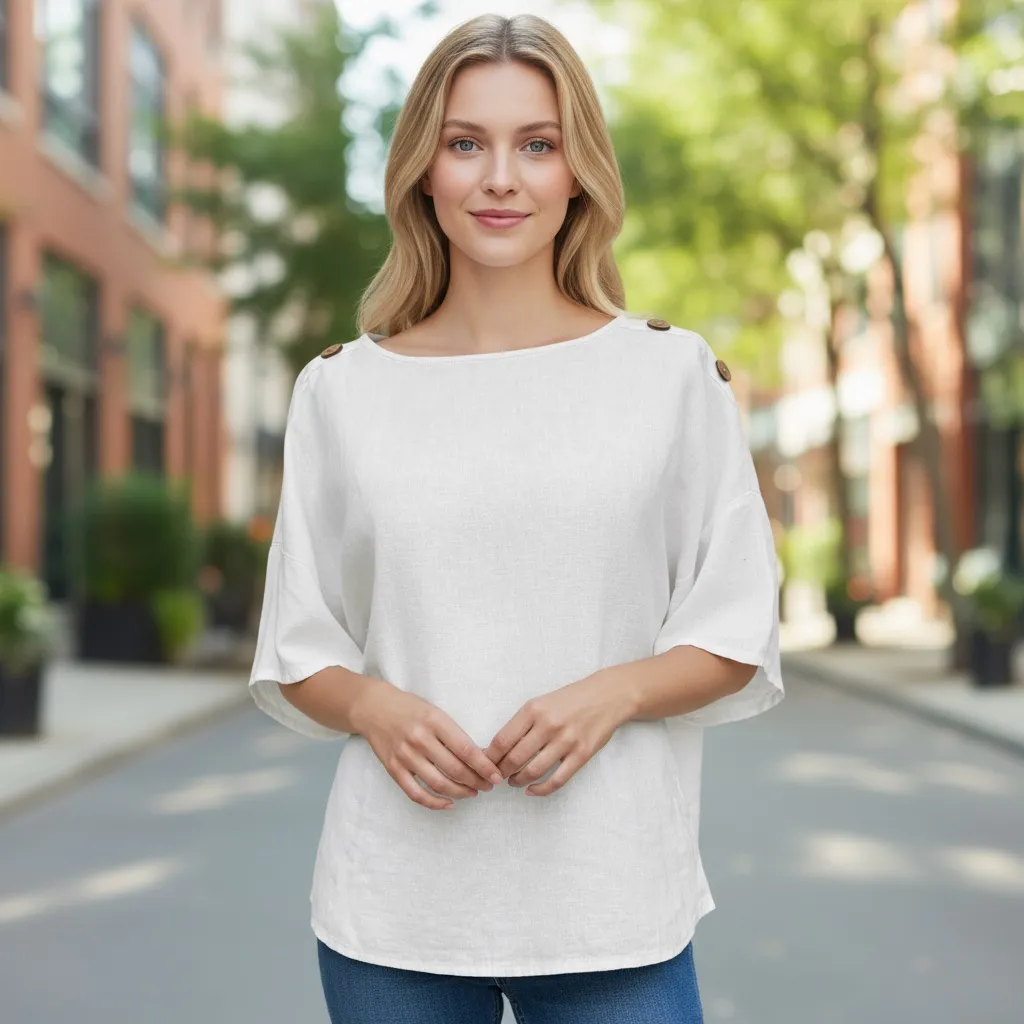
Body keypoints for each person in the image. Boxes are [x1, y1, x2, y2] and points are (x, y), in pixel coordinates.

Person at [247, 12, 784, 1024]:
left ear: (578, 170)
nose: (501, 177)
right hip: (393, 905)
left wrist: (616, 690)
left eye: (536, 144)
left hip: (610, 898)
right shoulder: (339, 391)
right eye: (465, 143)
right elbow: (297, 643)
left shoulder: (669, 375)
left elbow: (736, 629)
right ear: (422, 171)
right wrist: (372, 707)